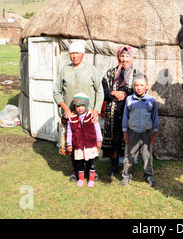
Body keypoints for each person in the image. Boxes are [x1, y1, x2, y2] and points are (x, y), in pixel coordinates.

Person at [53, 41, 104, 181]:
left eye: (77, 53)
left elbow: (99, 91)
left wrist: (96, 110)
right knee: (74, 143)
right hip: (72, 116)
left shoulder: (91, 69)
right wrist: (65, 108)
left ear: (83, 54)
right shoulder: (64, 70)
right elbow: (56, 92)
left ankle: (91, 171)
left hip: (89, 116)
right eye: (72, 53)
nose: (75, 56)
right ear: (69, 55)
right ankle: (77, 171)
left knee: (90, 141)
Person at [101, 46, 137, 176]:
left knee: (128, 139)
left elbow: (140, 92)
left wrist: (124, 96)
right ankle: (114, 166)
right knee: (114, 139)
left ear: (132, 58)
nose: (124, 59)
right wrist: (113, 93)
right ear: (118, 57)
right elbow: (102, 91)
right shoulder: (110, 73)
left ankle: (128, 168)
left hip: (128, 112)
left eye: (127, 56)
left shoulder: (136, 75)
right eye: (122, 56)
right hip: (112, 112)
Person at [120, 74, 159, 187]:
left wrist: (154, 133)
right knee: (130, 155)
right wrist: (125, 132)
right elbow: (125, 117)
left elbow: (154, 117)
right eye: (136, 85)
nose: (139, 87)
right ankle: (127, 175)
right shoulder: (129, 100)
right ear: (133, 86)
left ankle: (148, 175)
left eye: (142, 85)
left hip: (146, 133)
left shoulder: (151, 100)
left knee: (147, 155)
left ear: (147, 86)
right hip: (132, 132)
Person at [66, 93, 102, 187]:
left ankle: (91, 179)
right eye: (77, 106)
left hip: (90, 145)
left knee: (91, 162)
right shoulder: (72, 118)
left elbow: (97, 129)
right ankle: (81, 179)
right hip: (78, 146)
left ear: (86, 106)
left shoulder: (91, 116)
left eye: (82, 106)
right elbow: (69, 132)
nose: (80, 108)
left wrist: (99, 140)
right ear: (75, 106)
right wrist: (69, 144)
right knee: (79, 163)